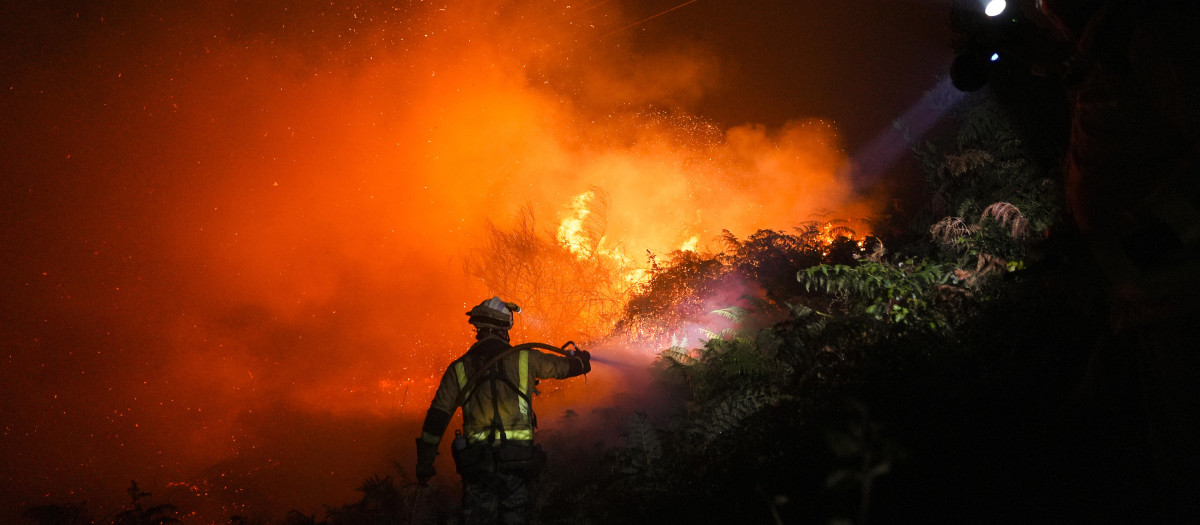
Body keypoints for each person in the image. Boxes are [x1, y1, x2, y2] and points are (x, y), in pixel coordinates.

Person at [415, 297, 591, 524]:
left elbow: (436, 419)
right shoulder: (525, 358)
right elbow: (564, 368)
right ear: (504, 328)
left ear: (479, 329)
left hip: (477, 466)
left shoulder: (458, 368)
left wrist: (425, 463)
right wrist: (582, 361)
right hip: (517, 461)